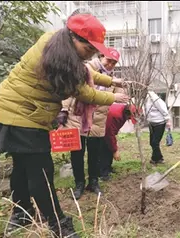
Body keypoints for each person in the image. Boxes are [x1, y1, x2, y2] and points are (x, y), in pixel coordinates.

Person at [0, 14, 129, 237]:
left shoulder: (55, 43)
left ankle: (21, 214)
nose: (91, 55)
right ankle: (59, 226)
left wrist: (110, 80)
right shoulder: (61, 60)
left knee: (21, 167)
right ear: (75, 38)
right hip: (24, 117)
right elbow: (83, 91)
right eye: (89, 50)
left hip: (8, 111)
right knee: (42, 174)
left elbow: (86, 72)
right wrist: (114, 97)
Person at [57, 47, 122, 200]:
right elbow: (70, 90)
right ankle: (79, 183)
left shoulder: (113, 80)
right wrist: (64, 109)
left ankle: (93, 182)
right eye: (108, 60)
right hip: (78, 117)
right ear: (101, 56)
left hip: (98, 120)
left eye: (114, 63)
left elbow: (115, 98)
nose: (110, 65)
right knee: (77, 153)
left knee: (95, 154)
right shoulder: (85, 68)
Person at [100, 103, 138, 181]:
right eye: (130, 117)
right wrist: (115, 150)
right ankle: (103, 173)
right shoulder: (115, 115)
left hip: (107, 130)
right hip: (101, 130)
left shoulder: (123, 111)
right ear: (127, 113)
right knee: (104, 150)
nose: (130, 119)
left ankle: (108, 167)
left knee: (109, 147)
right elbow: (109, 134)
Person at [144, 91, 171, 165]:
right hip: (151, 123)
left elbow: (163, 109)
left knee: (155, 142)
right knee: (152, 142)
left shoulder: (155, 99)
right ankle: (158, 158)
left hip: (160, 123)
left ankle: (155, 159)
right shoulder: (145, 100)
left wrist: (168, 120)